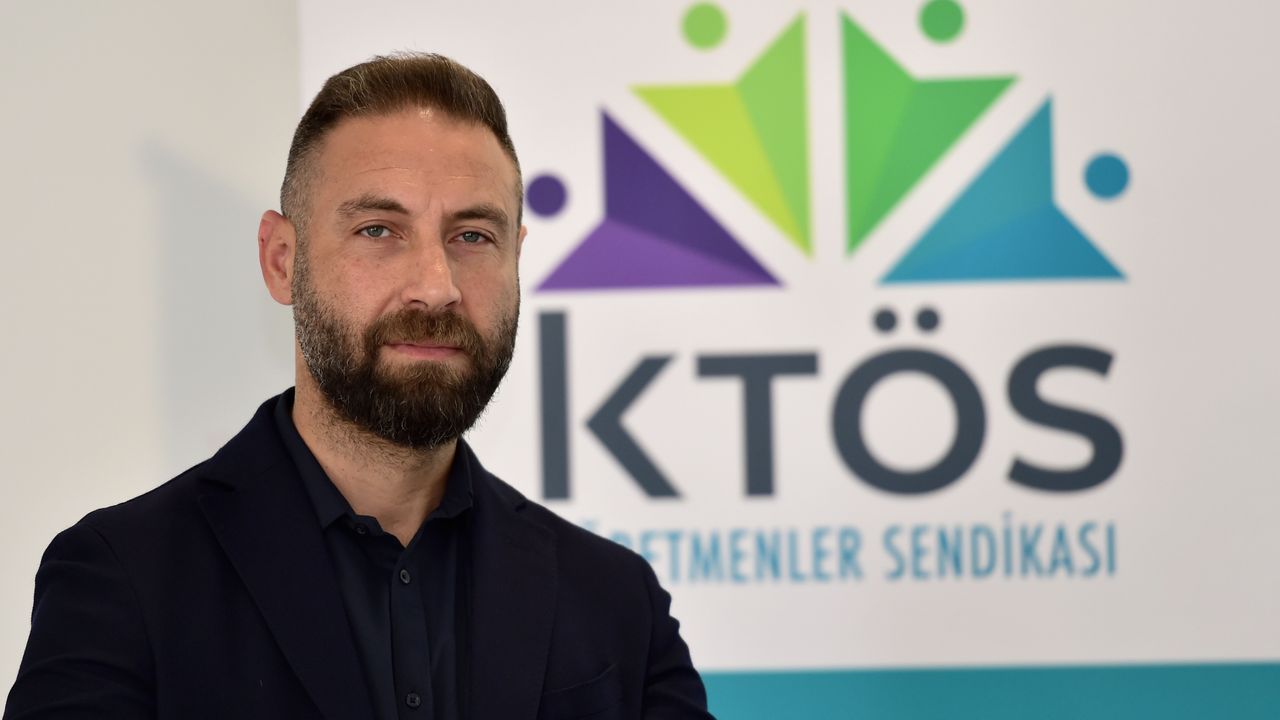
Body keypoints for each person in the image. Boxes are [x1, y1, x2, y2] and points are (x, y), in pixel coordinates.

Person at [4, 53, 711, 720]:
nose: (435, 286)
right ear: (282, 261)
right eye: (379, 229)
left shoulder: (618, 603)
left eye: (472, 236)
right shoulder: (123, 580)